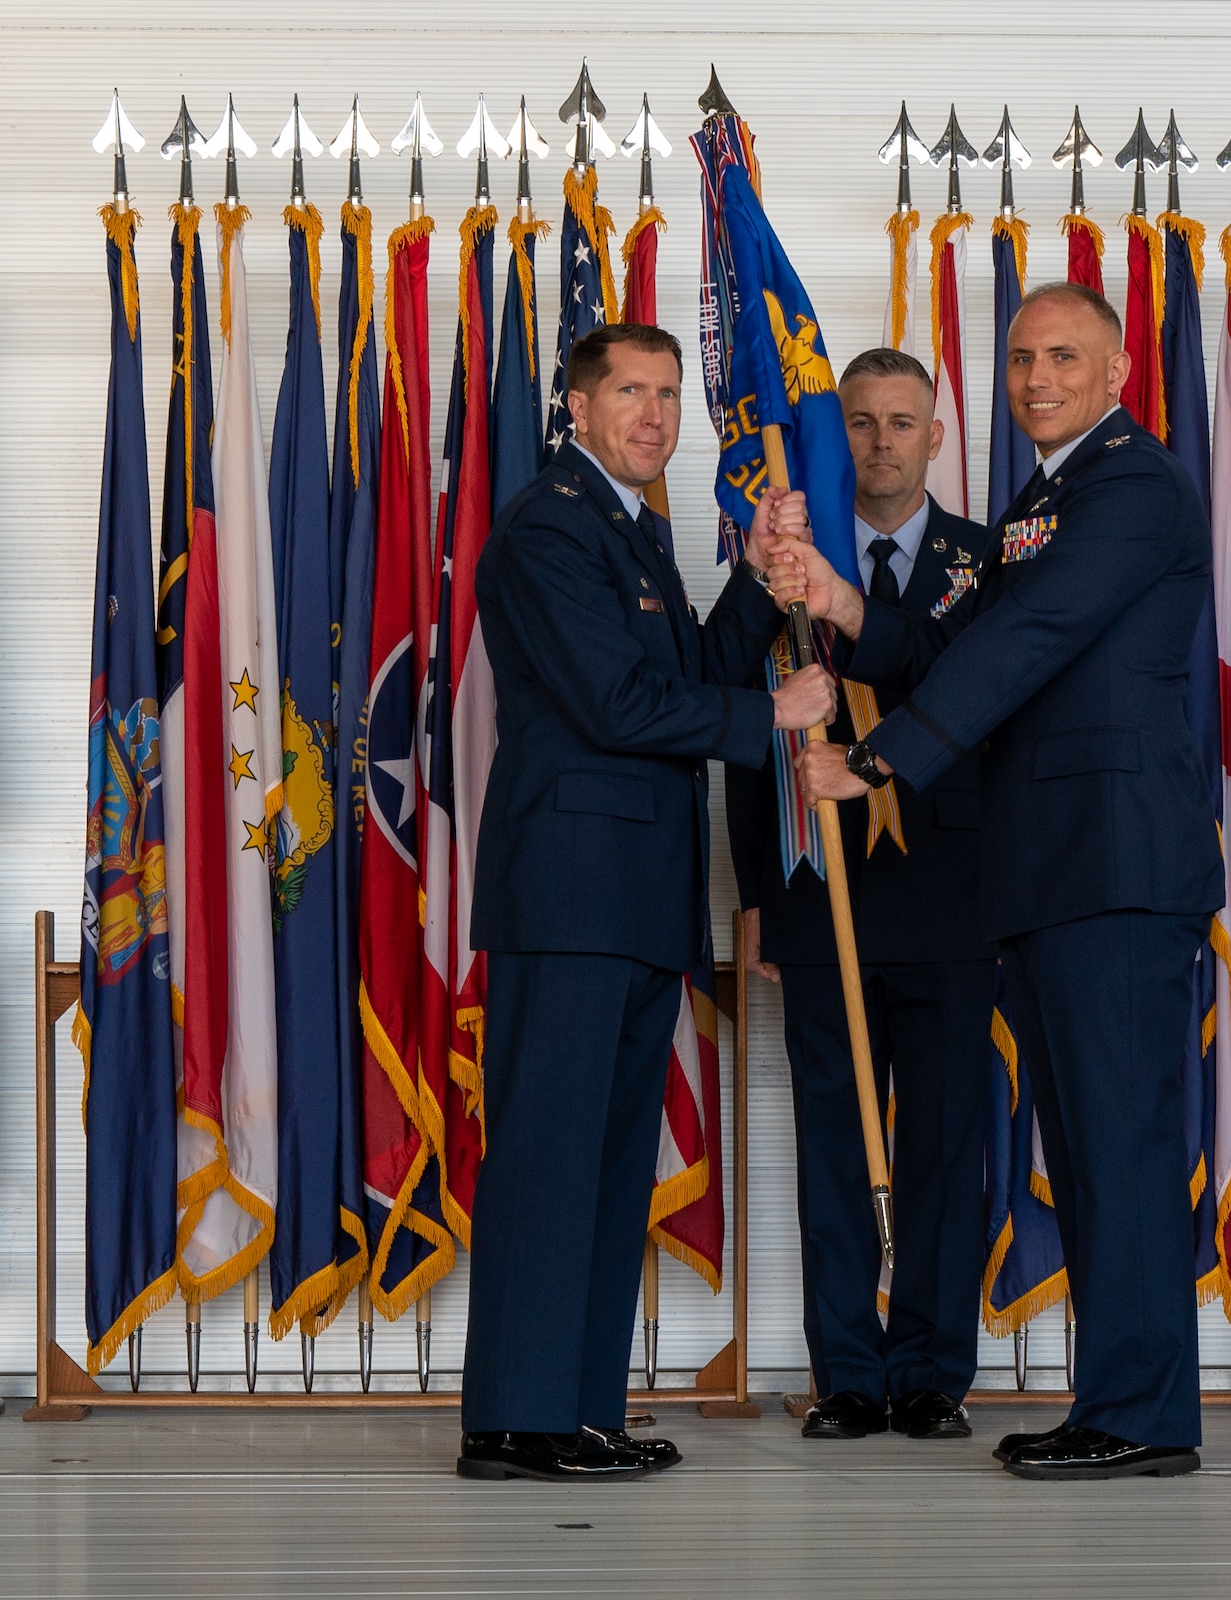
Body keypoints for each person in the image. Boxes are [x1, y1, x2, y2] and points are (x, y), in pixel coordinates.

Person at [786, 283, 1222, 1481]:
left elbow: (1023, 648)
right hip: (1051, 870)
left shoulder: (1128, 483)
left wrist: (875, 758)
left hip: (1112, 862)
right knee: (1086, 1148)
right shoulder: (1046, 497)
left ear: (1119, 368)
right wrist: (840, 605)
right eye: (1022, 357)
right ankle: (1118, 1402)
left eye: (1063, 356)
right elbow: (968, 642)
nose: (1036, 377)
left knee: (1120, 1146)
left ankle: (1139, 1415)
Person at [459, 323, 834, 1482]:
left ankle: (575, 1409)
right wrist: (769, 720)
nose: (657, 415)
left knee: (609, 1168)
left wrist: (762, 585)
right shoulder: (546, 529)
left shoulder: (632, 534)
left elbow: (691, 678)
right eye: (630, 391)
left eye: (670, 394)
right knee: (549, 1163)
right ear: (576, 407)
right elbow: (618, 704)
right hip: (569, 901)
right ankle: (515, 1422)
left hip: (627, 903)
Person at [727, 347, 996, 1443]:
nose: (880, 441)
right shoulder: (788, 562)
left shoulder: (987, 564)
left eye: (901, 422)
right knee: (835, 1141)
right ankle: (845, 1369)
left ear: (937, 437)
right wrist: (752, 896)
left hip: (951, 901)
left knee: (941, 1143)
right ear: (833, 437)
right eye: (860, 423)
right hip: (817, 892)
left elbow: (987, 714)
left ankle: (931, 1369)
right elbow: (743, 731)